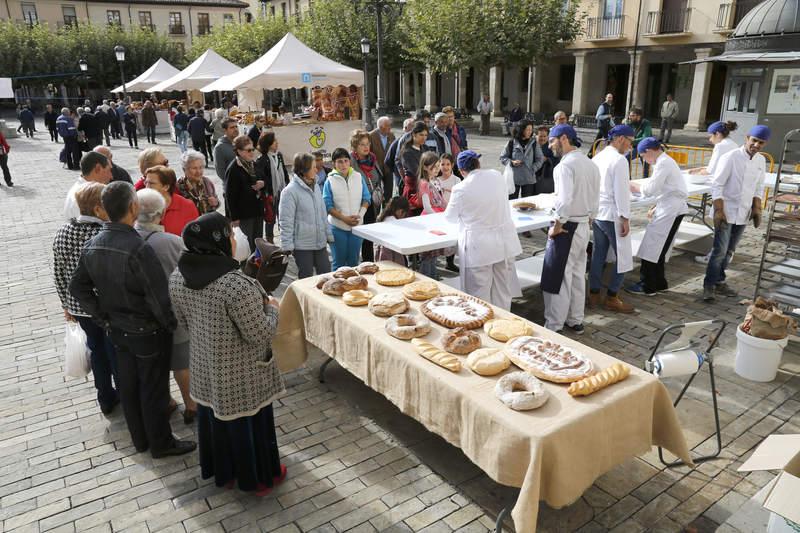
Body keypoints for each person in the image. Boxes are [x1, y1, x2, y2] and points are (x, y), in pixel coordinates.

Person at [69, 181, 197, 458]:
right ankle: (161, 443)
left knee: (129, 386)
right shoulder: (137, 247)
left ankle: (141, 440)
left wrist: (103, 316)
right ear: (132, 208)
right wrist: (169, 324)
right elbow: (156, 295)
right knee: (153, 389)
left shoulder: (94, 243)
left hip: (118, 329)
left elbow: (77, 287)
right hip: (147, 331)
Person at [168, 212, 286, 495]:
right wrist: (272, 308)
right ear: (219, 242)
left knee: (216, 422)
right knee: (247, 424)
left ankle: (225, 471)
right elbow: (259, 333)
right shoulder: (234, 284)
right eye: (231, 236)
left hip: (204, 365)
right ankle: (255, 477)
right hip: (241, 374)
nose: (235, 240)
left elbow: (184, 323)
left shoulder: (177, 276)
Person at [53, 182, 119, 414]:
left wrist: (65, 304)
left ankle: (105, 397)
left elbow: (59, 273)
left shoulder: (63, 232)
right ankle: (123, 390)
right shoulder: (102, 233)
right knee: (114, 350)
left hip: (80, 307)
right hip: (106, 306)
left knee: (96, 350)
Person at [135, 188, 197, 424]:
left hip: (142, 313)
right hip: (174, 312)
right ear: (160, 214)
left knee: (153, 361)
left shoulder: (129, 239)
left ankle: (167, 400)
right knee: (181, 362)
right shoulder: (173, 242)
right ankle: (191, 405)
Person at [444, 150, 521, 310]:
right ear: (478, 164)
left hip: (480, 247)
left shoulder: (460, 188)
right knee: (502, 291)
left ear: (461, 171)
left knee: (479, 295)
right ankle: (503, 325)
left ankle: (482, 328)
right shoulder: (496, 175)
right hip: (504, 242)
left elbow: (450, 217)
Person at [541, 124, 600, 333]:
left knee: (557, 275)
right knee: (576, 273)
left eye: (552, 140)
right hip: (583, 224)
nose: (550, 145)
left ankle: (554, 325)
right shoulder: (590, 163)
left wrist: (557, 225)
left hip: (567, 226)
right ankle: (575, 319)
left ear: (564, 138)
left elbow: (564, 200)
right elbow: (595, 197)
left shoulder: (564, 166)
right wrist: (591, 217)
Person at [702, 126, 769, 302]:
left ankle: (719, 281)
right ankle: (708, 285)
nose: (756, 144)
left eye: (760, 142)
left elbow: (759, 186)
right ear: (747, 137)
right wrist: (718, 210)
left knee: (730, 250)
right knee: (719, 251)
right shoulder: (730, 157)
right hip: (726, 211)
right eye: (753, 140)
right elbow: (717, 184)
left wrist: (757, 207)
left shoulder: (761, 161)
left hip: (744, 212)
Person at [627, 137, 689, 296]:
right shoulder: (665, 161)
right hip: (672, 206)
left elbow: (651, 189)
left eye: (642, 156)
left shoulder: (663, 163)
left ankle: (647, 285)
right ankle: (660, 282)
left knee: (652, 246)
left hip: (670, 209)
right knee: (660, 247)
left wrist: (633, 186)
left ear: (648, 151)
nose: (644, 160)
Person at [588, 125, 636, 313]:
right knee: (623, 257)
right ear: (621, 139)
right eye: (630, 142)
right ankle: (612, 296)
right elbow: (621, 192)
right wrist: (625, 217)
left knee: (599, 254)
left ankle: (593, 294)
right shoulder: (619, 160)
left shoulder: (598, 156)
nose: (630, 146)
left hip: (599, 211)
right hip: (612, 214)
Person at [688, 120, 740, 265]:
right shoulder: (733, 144)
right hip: (733, 189)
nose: (710, 139)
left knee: (720, 227)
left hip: (722, 190)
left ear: (717, 134)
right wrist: (700, 169)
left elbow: (712, 170)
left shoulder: (720, 146)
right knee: (729, 228)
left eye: (711, 136)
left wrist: (698, 172)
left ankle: (713, 256)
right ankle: (726, 255)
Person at [279, 153, 332, 279]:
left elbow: (323, 212)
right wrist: (287, 246)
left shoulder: (316, 186)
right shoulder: (289, 192)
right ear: (303, 170)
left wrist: (328, 233)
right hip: (302, 246)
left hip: (320, 242)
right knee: (306, 279)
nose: (316, 169)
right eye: (313, 167)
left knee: (326, 275)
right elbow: (286, 221)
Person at [322, 147, 371, 269]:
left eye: (345, 160)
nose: (343, 164)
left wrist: (360, 215)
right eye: (339, 161)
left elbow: (366, 198)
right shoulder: (330, 180)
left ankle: (352, 287)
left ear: (350, 162)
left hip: (357, 227)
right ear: (334, 164)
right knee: (338, 263)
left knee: (354, 262)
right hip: (337, 228)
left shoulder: (358, 176)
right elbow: (327, 205)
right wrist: (344, 219)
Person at [350, 129, 384, 262]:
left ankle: (368, 262)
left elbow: (378, 177)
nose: (366, 147)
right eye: (362, 144)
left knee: (369, 238)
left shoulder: (372, 159)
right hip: (359, 204)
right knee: (360, 237)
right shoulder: (351, 161)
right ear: (355, 146)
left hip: (373, 204)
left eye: (367, 144)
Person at [226, 135, 265, 251]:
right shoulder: (234, 168)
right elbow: (230, 196)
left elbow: (264, 178)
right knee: (246, 246)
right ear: (239, 151)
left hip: (257, 211)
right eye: (248, 150)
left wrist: (263, 184)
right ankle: (248, 268)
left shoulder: (253, 164)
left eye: (253, 149)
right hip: (244, 215)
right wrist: (234, 218)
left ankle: (257, 265)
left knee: (258, 242)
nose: (252, 152)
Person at [144, 165, 200, 237]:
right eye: (146, 182)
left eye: (151, 183)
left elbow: (196, 235)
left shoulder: (187, 206)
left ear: (166, 187)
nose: (147, 187)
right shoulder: (141, 205)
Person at [255, 132, 290, 244]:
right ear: (268, 144)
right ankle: (270, 243)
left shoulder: (278, 156)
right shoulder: (262, 160)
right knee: (270, 219)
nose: (277, 143)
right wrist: (269, 189)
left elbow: (284, 172)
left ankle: (286, 241)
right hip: (270, 194)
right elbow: (262, 178)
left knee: (284, 217)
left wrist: (288, 185)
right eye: (274, 141)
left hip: (282, 192)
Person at [500, 119, 544, 200]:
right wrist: (512, 162)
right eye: (528, 129)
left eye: (531, 130)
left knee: (527, 204)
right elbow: (503, 157)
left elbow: (540, 159)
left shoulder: (534, 143)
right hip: (514, 178)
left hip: (529, 178)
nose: (530, 132)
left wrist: (533, 168)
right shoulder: (511, 143)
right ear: (521, 130)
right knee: (511, 203)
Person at [64, 152, 113, 220]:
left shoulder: (80, 190)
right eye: (109, 170)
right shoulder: (84, 197)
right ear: (97, 168)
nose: (111, 176)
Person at [400, 122, 431, 214]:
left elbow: (434, 165)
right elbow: (416, 171)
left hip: (426, 185)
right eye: (421, 134)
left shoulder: (425, 148)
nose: (424, 138)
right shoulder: (407, 151)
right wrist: (430, 171)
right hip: (413, 187)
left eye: (426, 135)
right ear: (413, 134)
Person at [177, 150, 219, 215]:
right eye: (194, 168)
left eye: (201, 167)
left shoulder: (207, 182)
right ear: (184, 169)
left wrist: (216, 203)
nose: (198, 171)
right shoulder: (178, 186)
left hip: (207, 221)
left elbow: (216, 201)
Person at [374, 196, 409, 266]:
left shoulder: (384, 217)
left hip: (380, 254)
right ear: (400, 211)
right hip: (391, 256)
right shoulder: (395, 223)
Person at [385, 118, 414, 195]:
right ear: (405, 128)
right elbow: (389, 160)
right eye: (411, 126)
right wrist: (397, 172)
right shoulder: (398, 142)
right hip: (402, 178)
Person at [369, 116, 395, 198]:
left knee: (389, 192)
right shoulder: (370, 136)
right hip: (376, 169)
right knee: (377, 193)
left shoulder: (391, 136)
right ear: (380, 127)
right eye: (387, 125)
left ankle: (387, 209)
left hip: (388, 169)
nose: (390, 127)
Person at [626, 107, 653, 177]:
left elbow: (645, 137)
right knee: (627, 157)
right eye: (630, 115)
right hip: (635, 146)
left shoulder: (646, 123)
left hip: (645, 147)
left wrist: (632, 141)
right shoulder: (630, 122)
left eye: (632, 116)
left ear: (638, 116)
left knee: (645, 166)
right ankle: (628, 178)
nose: (630, 117)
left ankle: (645, 180)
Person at [214, 118, 238, 188]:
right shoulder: (219, 147)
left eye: (236, 126)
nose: (236, 129)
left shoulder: (238, 142)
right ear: (225, 130)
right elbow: (220, 172)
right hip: (231, 187)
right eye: (232, 127)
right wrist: (232, 182)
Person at [533, 125, 557, 194]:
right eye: (540, 136)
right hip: (531, 177)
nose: (543, 138)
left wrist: (547, 159)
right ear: (536, 135)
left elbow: (557, 160)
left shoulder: (552, 146)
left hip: (547, 177)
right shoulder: (531, 145)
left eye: (545, 136)